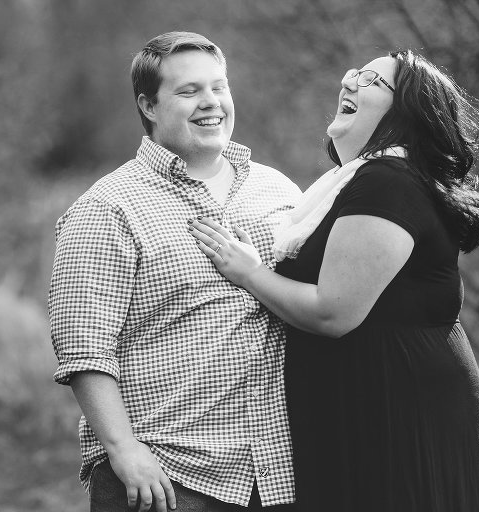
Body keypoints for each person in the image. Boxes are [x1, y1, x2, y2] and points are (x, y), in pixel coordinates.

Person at [189, 50, 479, 512]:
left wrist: (247, 271)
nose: (349, 81)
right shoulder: (358, 181)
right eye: (353, 72)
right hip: (371, 398)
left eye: (371, 81)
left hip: (397, 406)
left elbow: (332, 311)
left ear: (405, 113)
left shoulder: (387, 182)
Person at [49, 32, 301, 512]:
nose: (211, 103)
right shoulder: (106, 209)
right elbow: (84, 349)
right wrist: (124, 451)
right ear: (148, 104)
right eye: (188, 91)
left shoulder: (278, 192)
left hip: (281, 474)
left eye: (218, 87)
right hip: (167, 476)